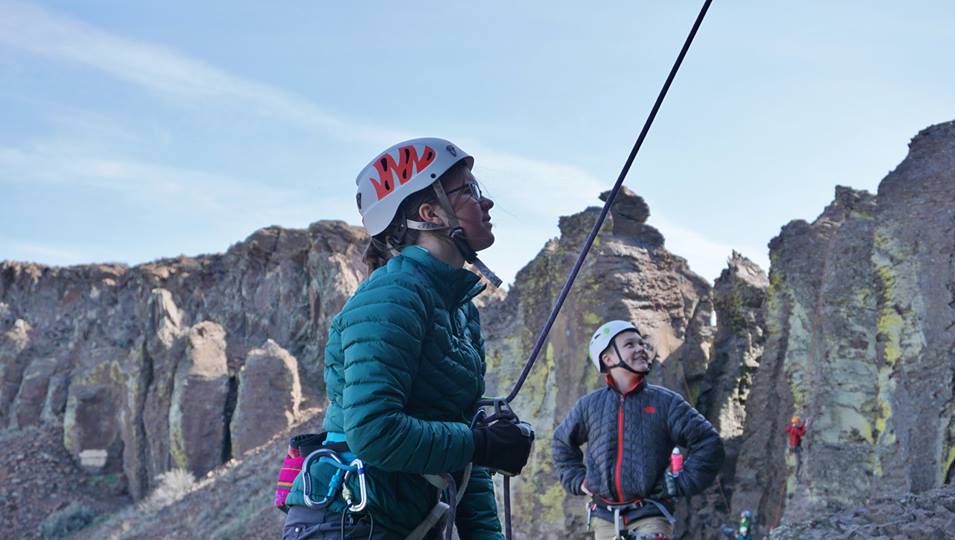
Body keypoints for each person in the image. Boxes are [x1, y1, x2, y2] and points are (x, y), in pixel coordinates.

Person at [281, 138, 534, 539]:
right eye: (469, 191)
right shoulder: (391, 296)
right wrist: (481, 443)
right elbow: (375, 431)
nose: (485, 204)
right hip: (348, 524)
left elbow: (465, 453)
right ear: (430, 213)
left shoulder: (459, 309)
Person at [552, 320, 724, 540]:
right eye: (630, 345)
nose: (641, 349)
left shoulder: (666, 403)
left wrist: (680, 483)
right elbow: (561, 443)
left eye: (641, 344)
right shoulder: (589, 406)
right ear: (608, 359)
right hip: (604, 519)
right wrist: (577, 480)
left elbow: (709, 443)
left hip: (651, 515)